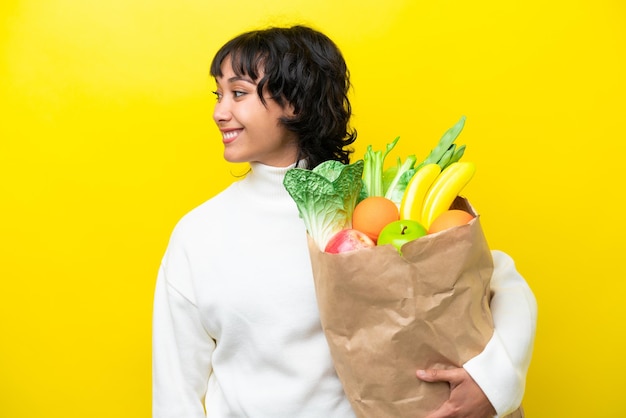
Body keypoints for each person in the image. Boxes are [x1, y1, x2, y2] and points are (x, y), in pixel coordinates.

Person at [152, 25, 537, 418]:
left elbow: (498, 279)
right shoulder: (199, 233)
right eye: (219, 95)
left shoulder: (375, 204)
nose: (220, 112)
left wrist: (495, 383)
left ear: (295, 103)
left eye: (238, 93)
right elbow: (175, 394)